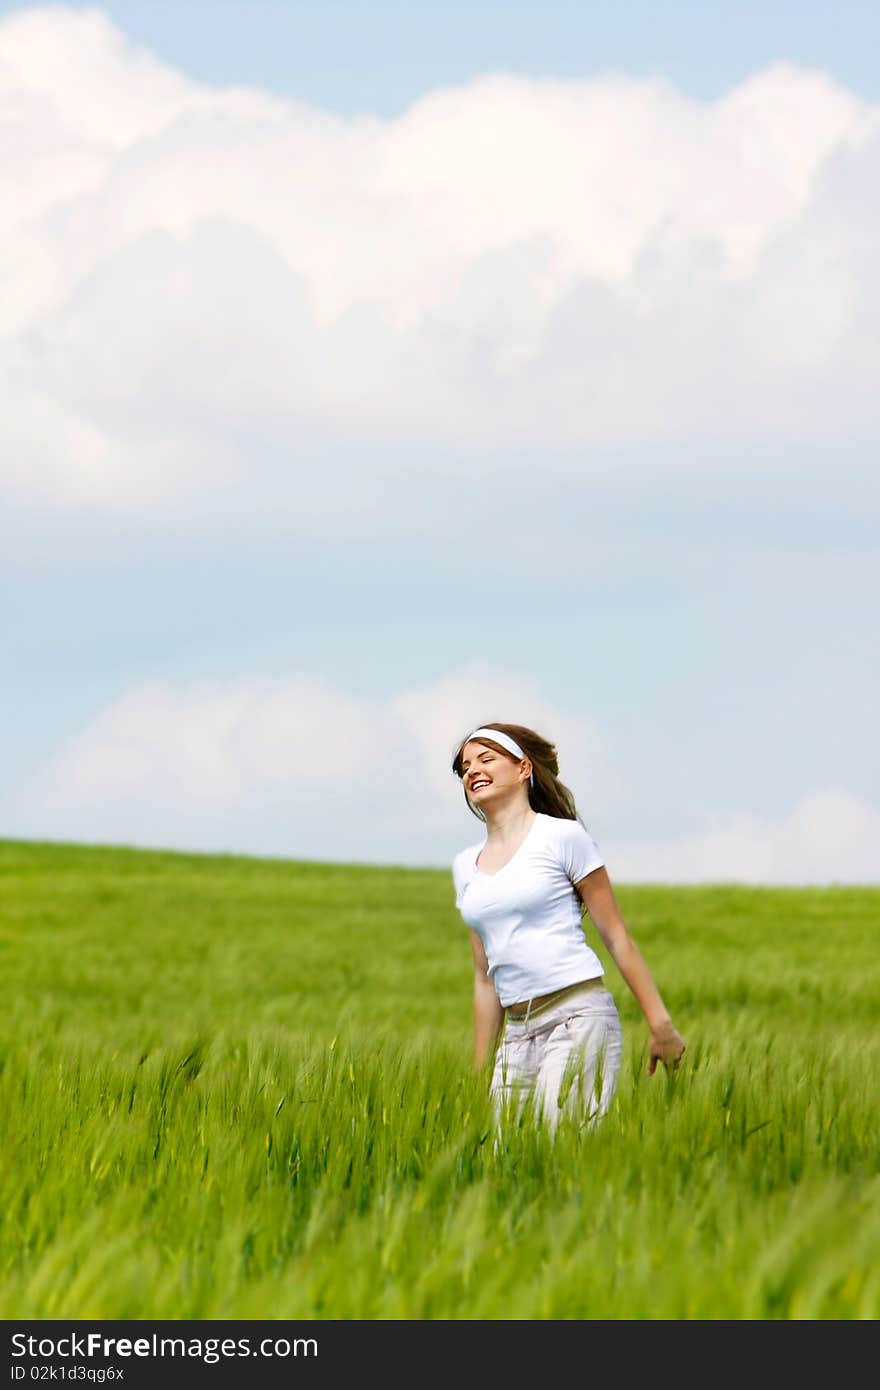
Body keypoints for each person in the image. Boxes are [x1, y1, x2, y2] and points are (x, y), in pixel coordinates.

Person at [451, 722, 685, 1133]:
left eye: (486, 759)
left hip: (577, 1018)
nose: (472, 771)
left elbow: (617, 938)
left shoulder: (563, 838)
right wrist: (480, 1070)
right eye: (465, 766)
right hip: (516, 1037)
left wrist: (660, 1026)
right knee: (511, 1161)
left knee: (563, 1146)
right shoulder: (465, 866)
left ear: (524, 768)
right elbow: (484, 977)